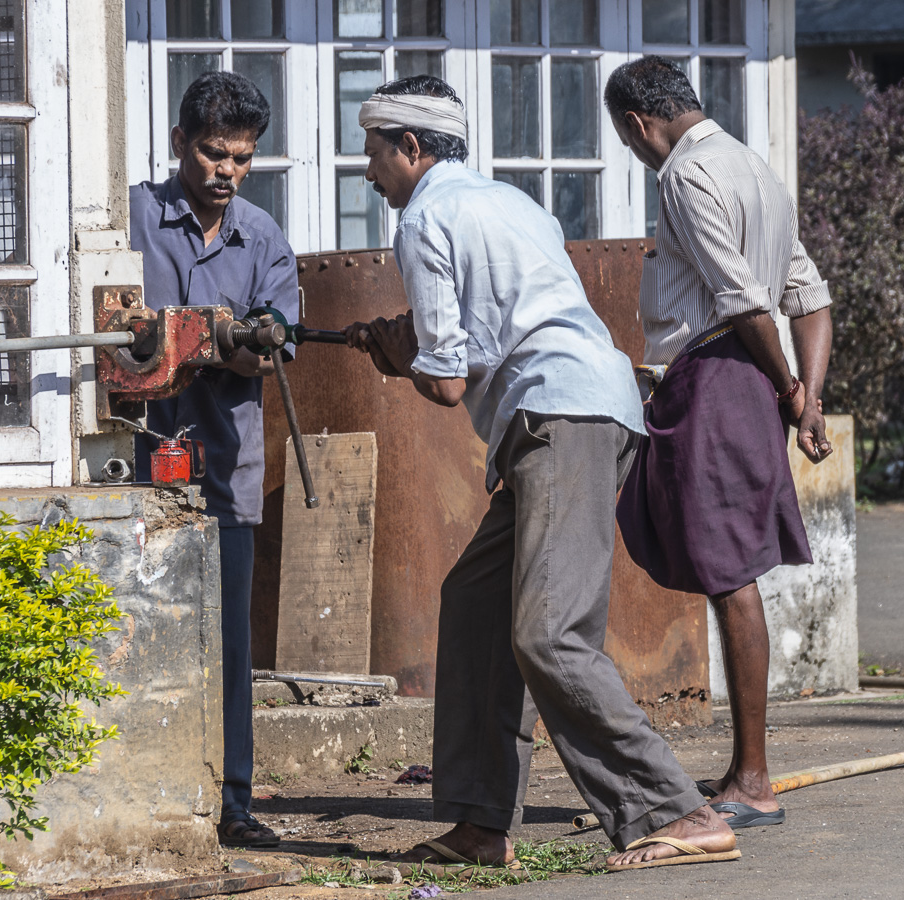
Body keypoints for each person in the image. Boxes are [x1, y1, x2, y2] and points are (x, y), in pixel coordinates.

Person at [344, 74, 741, 872]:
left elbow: (449, 380)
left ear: (412, 149)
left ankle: (676, 810)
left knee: (548, 634)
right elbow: (489, 329)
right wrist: (420, 336)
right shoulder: (512, 204)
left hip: (562, 418)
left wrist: (404, 356)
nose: (368, 171)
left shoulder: (423, 217)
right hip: (578, 409)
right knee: (477, 606)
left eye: (375, 152)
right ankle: (479, 823)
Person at [604, 56, 835, 831]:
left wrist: (788, 389)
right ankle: (747, 769)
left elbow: (743, 302)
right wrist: (808, 394)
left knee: (729, 572)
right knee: (727, 566)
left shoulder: (683, 174)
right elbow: (810, 296)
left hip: (718, 375)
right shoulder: (756, 171)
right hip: (746, 376)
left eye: (629, 141)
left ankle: (752, 780)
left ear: (638, 123)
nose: (636, 153)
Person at [130, 71, 299, 848]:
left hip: (224, 475)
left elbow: (273, 346)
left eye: (241, 156)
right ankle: (139, 794)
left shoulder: (263, 239)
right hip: (130, 468)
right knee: (132, 633)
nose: (225, 170)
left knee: (226, 648)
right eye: (210, 152)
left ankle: (232, 802)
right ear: (177, 144)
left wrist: (238, 343)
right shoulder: (128, 217)